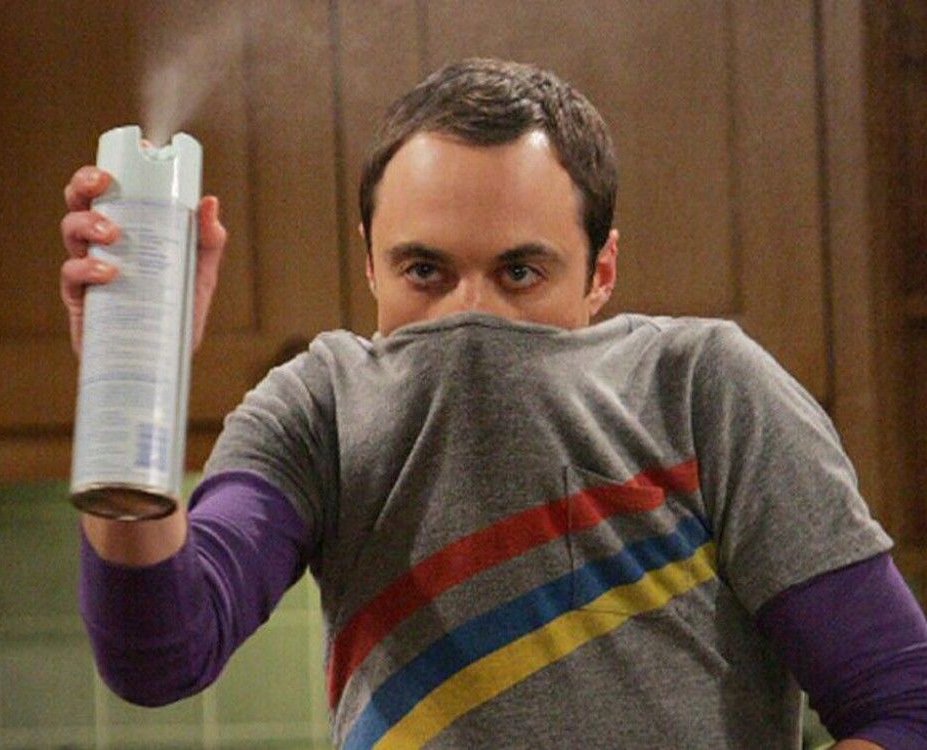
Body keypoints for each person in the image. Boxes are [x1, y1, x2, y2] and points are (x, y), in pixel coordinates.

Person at [61, 58, 927, 749]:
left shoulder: (704, 389)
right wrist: (128, 379)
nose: (468, 318)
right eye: (424, 271)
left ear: (602, 271)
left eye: (519, 272)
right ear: (370, 263)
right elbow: (161, 655)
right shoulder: (318, 408)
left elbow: (902, 703)